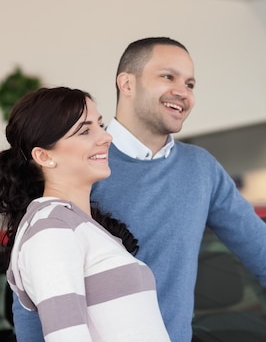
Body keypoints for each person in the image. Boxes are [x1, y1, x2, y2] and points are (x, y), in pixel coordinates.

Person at [11, 38, 266, 342]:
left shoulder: (199, 169)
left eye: (191, 83)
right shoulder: (77, 167)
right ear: (126, 83)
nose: (183, 91)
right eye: (167, 77)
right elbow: (35, 299)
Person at [0, 87, 170, 341]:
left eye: (100, 125)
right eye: (85, 130)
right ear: (44, 156)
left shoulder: (77, 225)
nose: (106, 137)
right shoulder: (50, 229)